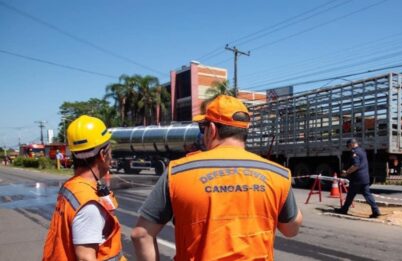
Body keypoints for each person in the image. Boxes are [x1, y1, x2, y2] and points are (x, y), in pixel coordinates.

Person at [131, 95, 303, 260]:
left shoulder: (177, 172)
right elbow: (291, 230)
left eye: (202, 128)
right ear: (244, 131)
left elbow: (141, 235)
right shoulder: (278, 174)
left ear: (211, 130)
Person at [42, 115, 125, 261]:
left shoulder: (72, 186)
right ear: (102, 154)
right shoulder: (89, 204)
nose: (111, 156)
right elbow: (86, 258)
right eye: (110, 150)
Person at [335, 138, 381, 218]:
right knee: (367, 195)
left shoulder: (354, 152)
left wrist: (347, 172)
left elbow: (356, 165)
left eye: (348, 146)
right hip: (365, 178)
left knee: (350, 195)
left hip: (357, 179)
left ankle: (344, 209)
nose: (348, 148)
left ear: (352, 144)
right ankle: (376, 210)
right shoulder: (362, 151)